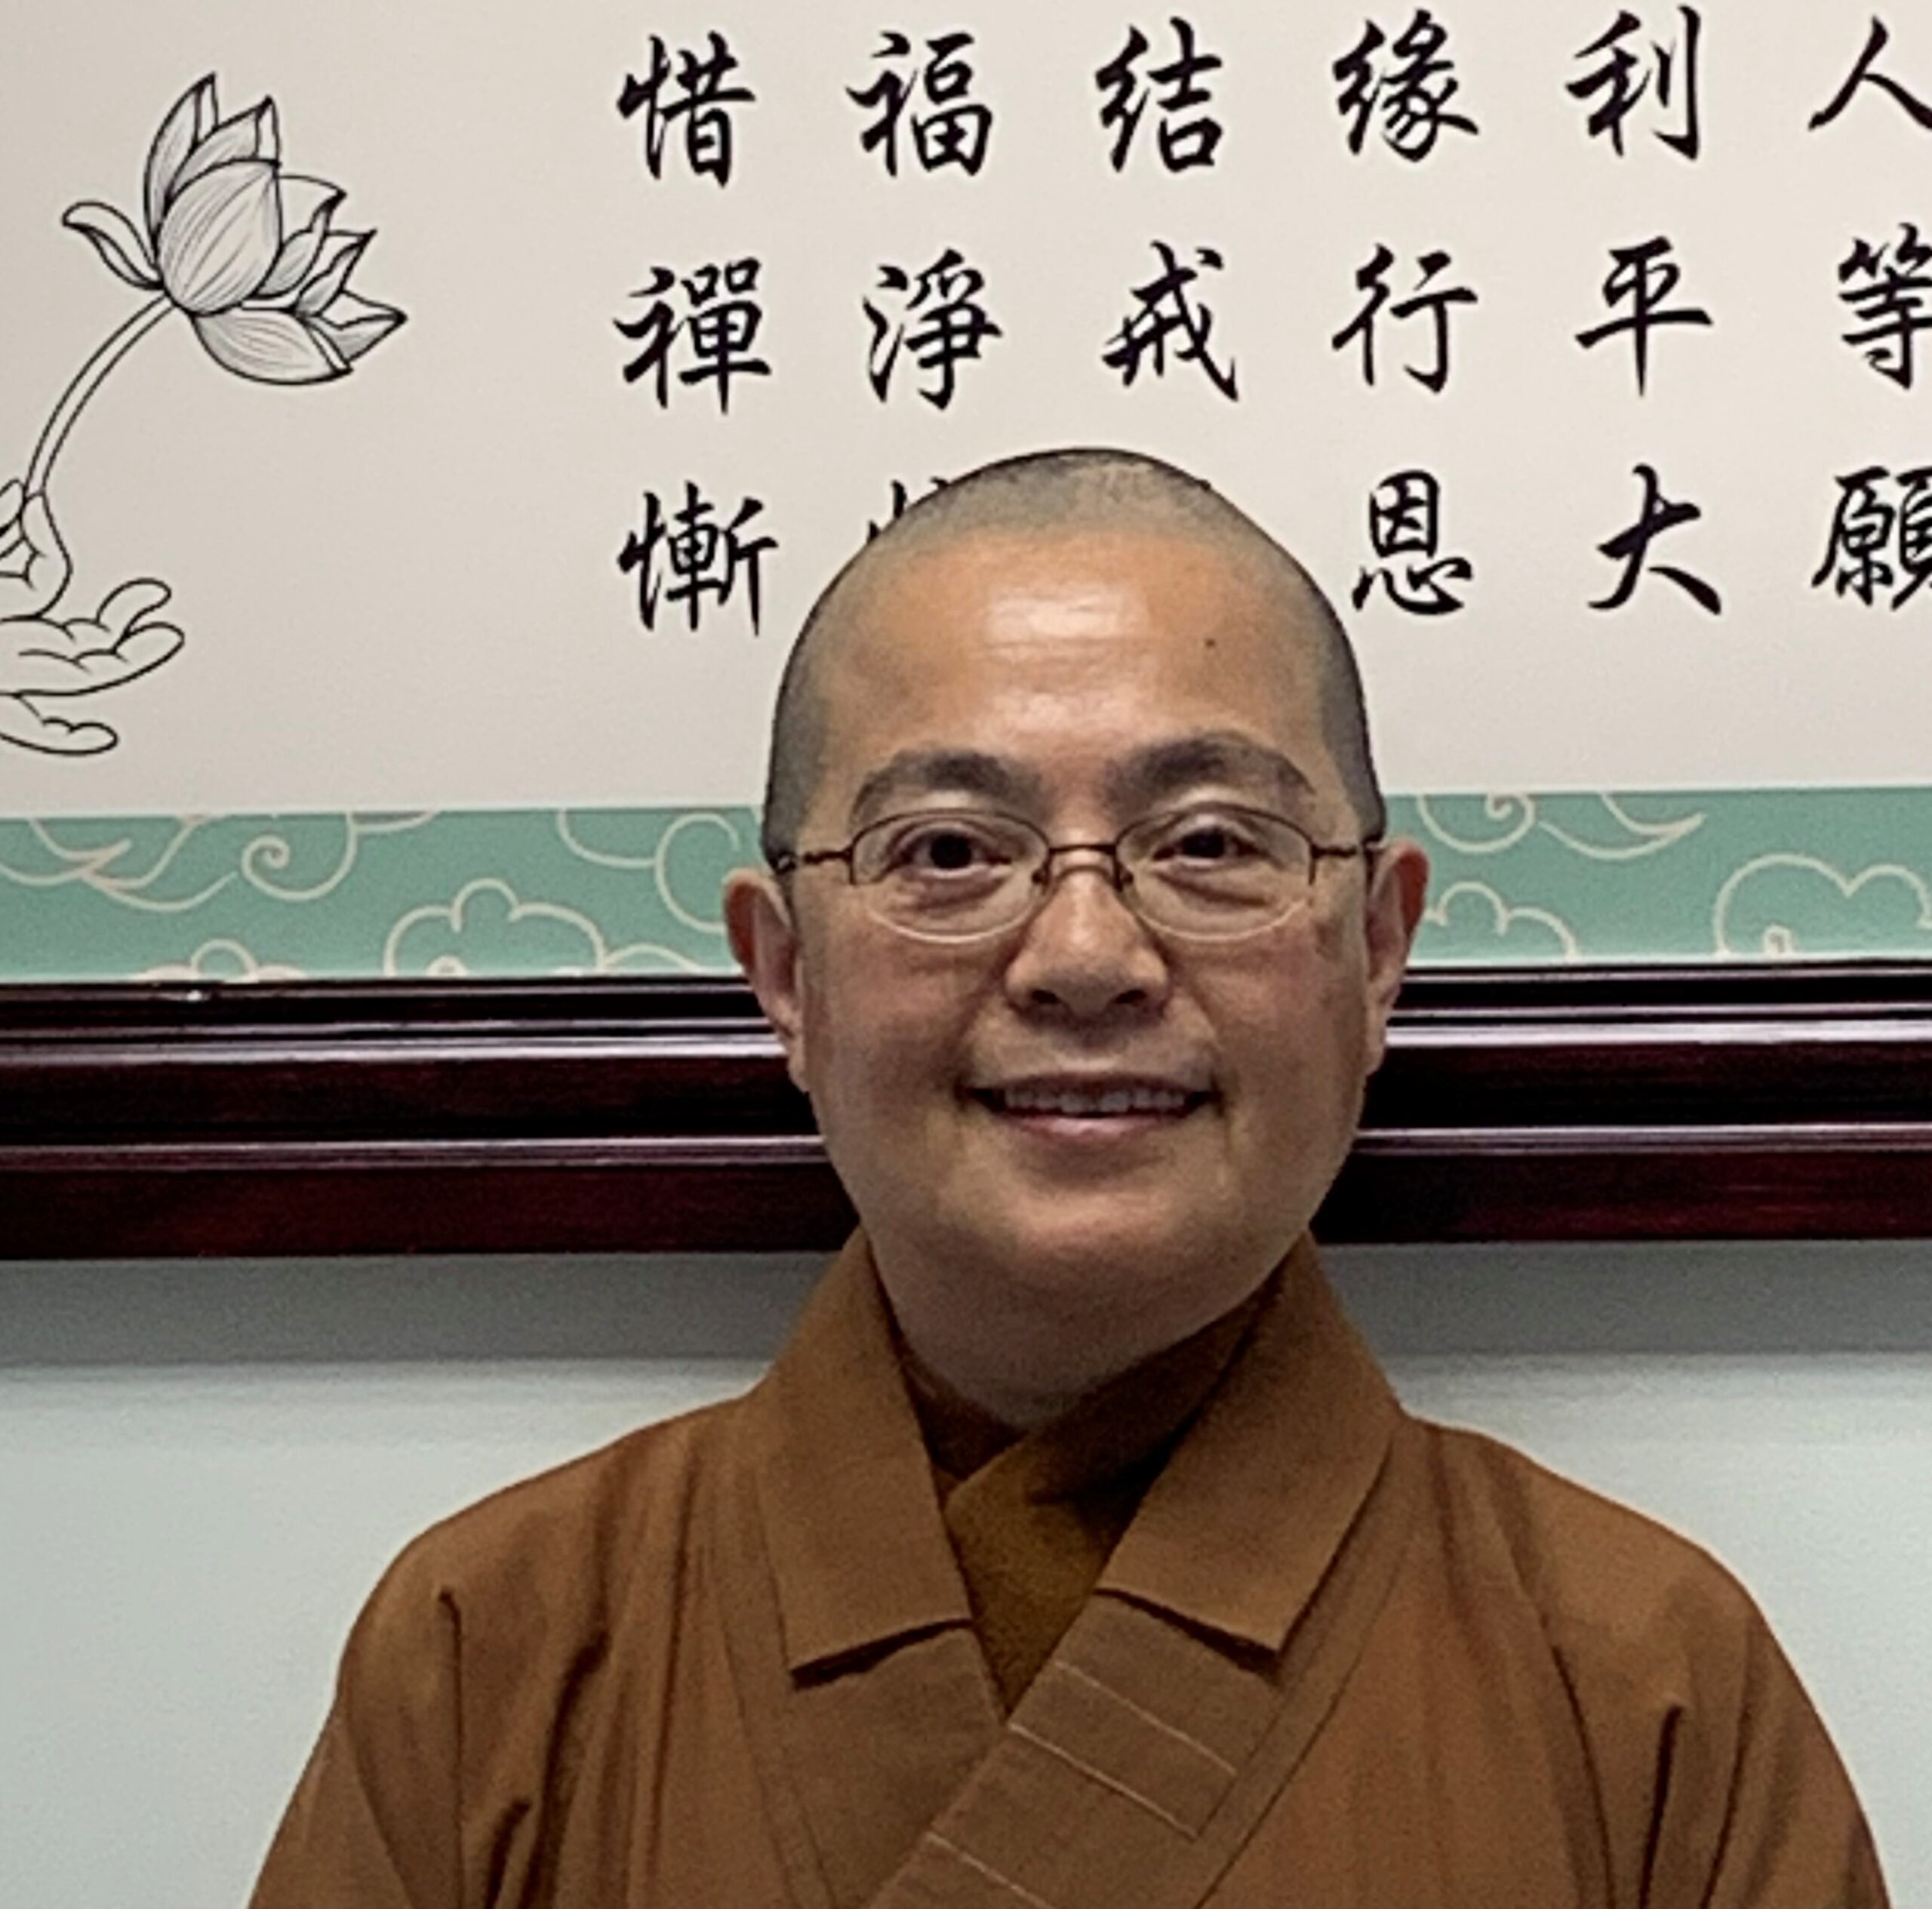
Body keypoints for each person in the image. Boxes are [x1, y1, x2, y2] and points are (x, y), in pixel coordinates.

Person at [250, 448, 1888, 1907]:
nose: (1087, 954)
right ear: (785, 973)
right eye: (949, 852)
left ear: (1377, 949)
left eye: (1211, 842)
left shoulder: (1646, 1681)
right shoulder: (493, 1655)